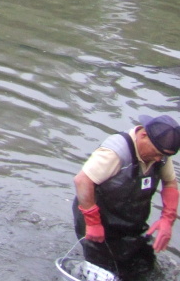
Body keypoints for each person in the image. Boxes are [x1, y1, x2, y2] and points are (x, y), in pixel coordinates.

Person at [72, 114, 180, 280]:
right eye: (157, 153)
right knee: (107, 273)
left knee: (146, 270)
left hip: (131, 221)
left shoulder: (161, 156)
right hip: (99, 218)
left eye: (164, 156)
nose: (160, 159)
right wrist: (93, 223)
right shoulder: (115, 153)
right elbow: (82, 181)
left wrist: (167, 219)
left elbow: (171, 184)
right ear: (143, 135)